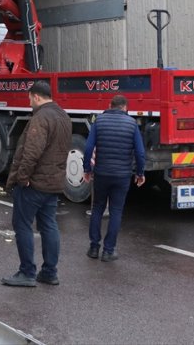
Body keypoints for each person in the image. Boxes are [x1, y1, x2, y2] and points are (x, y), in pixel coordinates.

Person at [2, 80, 72, 287]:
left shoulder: (41, 118)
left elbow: (31, 152)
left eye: (30, 98)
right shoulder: (64, 117)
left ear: (37, 96)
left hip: (34, 184)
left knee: (22, 225)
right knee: (49, 225)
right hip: (53, 183)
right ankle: (50, 272)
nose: (29, 102)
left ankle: (27, 272)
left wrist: (22, 178)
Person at [83, 94, 146, 262]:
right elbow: (140, 153)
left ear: (110, 105)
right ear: (125, 108)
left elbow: (88, 147)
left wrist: (87, 169)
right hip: (122, 175)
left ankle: (94, 248)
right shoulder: (132, 124)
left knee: (97, 208)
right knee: (116, 211)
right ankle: (108, 251)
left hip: (102, 173)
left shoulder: (100, 121)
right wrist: (140, 173)